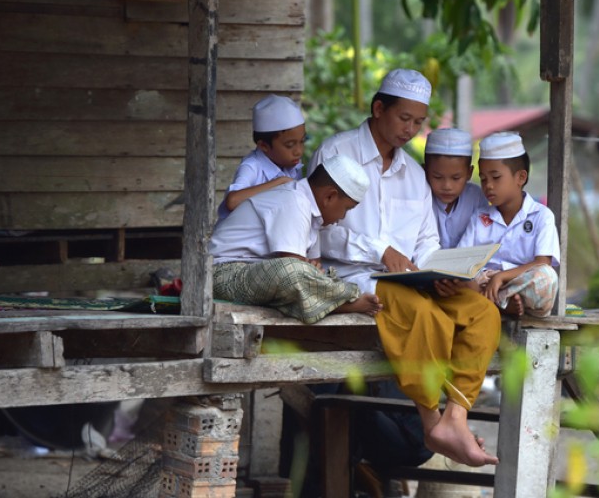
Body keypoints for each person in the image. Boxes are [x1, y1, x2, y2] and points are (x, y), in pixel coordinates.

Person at [309, 69, 500, 467]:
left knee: (481, 312)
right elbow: (317, 229)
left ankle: (456, 416)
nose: (411, 129)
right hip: (351, 278)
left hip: (410, 279)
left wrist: (445, 270)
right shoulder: (337, 154)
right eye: (404, 118)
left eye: (419, 121)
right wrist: (382, 250)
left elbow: (426, 240)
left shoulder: (415, 174)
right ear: (379, 108)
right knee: (423, 314)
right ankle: (431, 419)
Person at [208, 154, 382, 324]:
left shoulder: (315, 218)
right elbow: (292, 267)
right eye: (347, 208)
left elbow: (314, 268)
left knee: (307, 273)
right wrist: (309, 269)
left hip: (258, 277)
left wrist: (315, 270)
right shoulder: (294, 199)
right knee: (293, 272)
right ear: (329, 196)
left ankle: (335, 301)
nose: (343, 217)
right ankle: (343, 302)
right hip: (221, 274)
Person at [455, 131, 561, 318]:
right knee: (459, 278)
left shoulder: (541, 215)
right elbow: (461, 260)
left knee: (546, 278)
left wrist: (501, 277)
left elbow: (542, 263)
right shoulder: (479, 217)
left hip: (519, 282)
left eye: (496, 177)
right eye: (484, 178)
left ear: (520, 177)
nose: (488, 185)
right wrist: (486, 278)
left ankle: (497, 300)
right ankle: (503, 303)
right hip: (483, 282)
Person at [216, 94, 308, 222]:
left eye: (303, 141)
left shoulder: (292, 163)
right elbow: (232, 201)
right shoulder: (252, 166)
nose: (299, 151)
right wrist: (279, 183)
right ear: (263, 145)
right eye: (290, 145)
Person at [424, 128, 488, 249]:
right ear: (425, 171)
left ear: (469, 173)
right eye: (438, 177)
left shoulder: (477, 198)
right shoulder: (421, 197)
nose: (447, 186)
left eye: (456, 178)